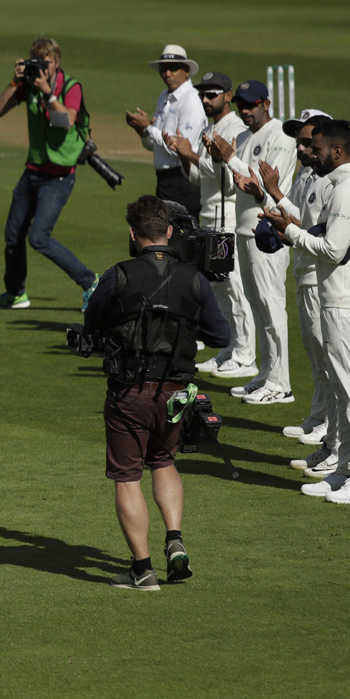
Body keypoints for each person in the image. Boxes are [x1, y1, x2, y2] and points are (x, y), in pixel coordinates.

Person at [78, 195, 230, 590]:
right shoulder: (193, 278)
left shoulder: (119, 275)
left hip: (129, 393)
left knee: (128, 477)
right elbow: (220, 335)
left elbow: (91, 323)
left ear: (132, 233)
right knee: (164, 463)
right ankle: (174, 541)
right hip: (176, 393)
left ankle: (142, 570)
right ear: (168, 231)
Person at [261, 120, 350, 503]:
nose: (311, 154)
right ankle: (345, 468)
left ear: (337, 151)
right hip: (336, 298)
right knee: (342, 391)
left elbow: (332, 249)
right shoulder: (340, 186)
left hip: (347, 301)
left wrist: (289, 233)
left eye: (317, 149)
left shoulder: (349, 191)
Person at [0, 37, 98, 311]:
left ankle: (90, 281)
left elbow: (67, 121)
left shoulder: (70, 86)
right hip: (33, 169)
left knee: (38, 237)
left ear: (56, 63)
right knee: (13, 234)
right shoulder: (28, 84)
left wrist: (48, 93)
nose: (41, 68)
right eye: (36, 61)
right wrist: (15, 82)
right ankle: (15, 294)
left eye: (45, 62)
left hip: (59, 175)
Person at [257, 111, 339, 466]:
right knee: (314, 353)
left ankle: (332, 437)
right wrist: (275, 198)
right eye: (299, 140)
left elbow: (311, 228)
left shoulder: (328, 182)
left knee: (327, 359)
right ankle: (320, 418)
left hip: (320, 281)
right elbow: (298, 218)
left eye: (308, 141)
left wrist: (278, 204)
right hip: (304, 275)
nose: (301, 148)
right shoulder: (306, 175)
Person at [208, 79, 296, 405]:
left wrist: (231, 160)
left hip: (270, 231)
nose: (245, 111)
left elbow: (261, 186)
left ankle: (282, 384)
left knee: (272, 307)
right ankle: (266, 374)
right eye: (241, 105)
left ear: (266, 104)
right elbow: (237, 185)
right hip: (243, 230)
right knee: (257, 306)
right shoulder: (243, 136)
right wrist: (227, 162)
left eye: (251, 105)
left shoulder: (281, 136)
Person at [165, 71, 257, 381]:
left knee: (234, 288)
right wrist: (182, 155)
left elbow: (227, 178)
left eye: (212, 94)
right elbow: (199, 177)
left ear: (228, 96)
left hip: (226, 217)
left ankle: (245, 355)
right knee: (217, 289)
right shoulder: (210, 127)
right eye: (203, 94)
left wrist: (189, 152)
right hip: (209, 216)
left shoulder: (235, 128)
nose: (206, 99)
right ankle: (228, 350)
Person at [125, 44, 205, 221]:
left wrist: (149, 129)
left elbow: (183, 148)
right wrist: (143, 131)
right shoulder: (164, 97)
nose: (167, 74)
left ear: (186, 71)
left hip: (183, 181)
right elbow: (153, 147)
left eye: (173, 68)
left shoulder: (192, 100)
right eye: (163, 69)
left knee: (183, 242)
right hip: (163, 182)